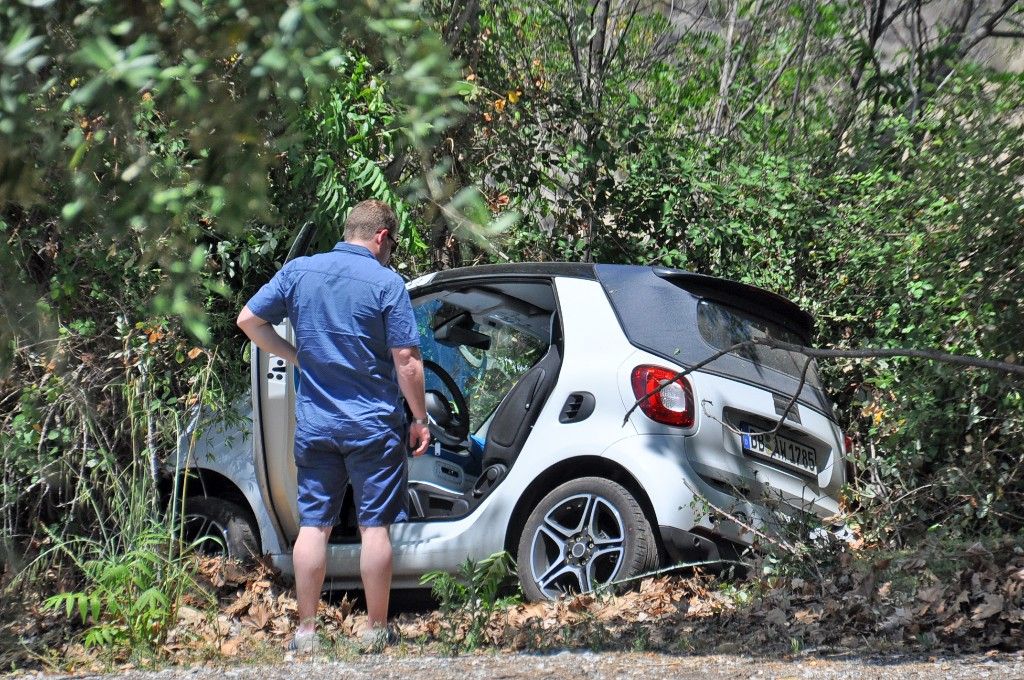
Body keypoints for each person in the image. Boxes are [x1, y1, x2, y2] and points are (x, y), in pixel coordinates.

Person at [236, 199, 431, 653]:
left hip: (317, 426)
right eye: (393, 243)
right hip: (372, 428)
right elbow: (407, 360)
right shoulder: (386, 283)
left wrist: (293, 354)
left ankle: (305, 633)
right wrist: (419, 418)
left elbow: (248, 320)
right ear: (381, 237)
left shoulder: (300, 272)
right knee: (374, 528)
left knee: (313, 526)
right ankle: (376, 629)